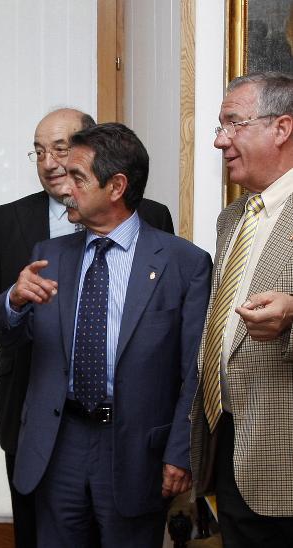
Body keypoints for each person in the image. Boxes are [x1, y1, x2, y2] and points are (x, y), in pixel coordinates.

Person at [0, 123, 211, 547]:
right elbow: (1, 333)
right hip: (59, 444)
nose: (64, 186)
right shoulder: (49, 256)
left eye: (78, 177)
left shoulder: (184, 263)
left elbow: (195, 372)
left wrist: (181, 451)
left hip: (134, 450)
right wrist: (14, 299)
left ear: (116, 186)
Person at [190, 71, 293, 546]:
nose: (219, 141)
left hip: (285, 458)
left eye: (233, 124)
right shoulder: (232, 217)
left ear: (282, 127)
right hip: (228, 445)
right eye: (219, 127)